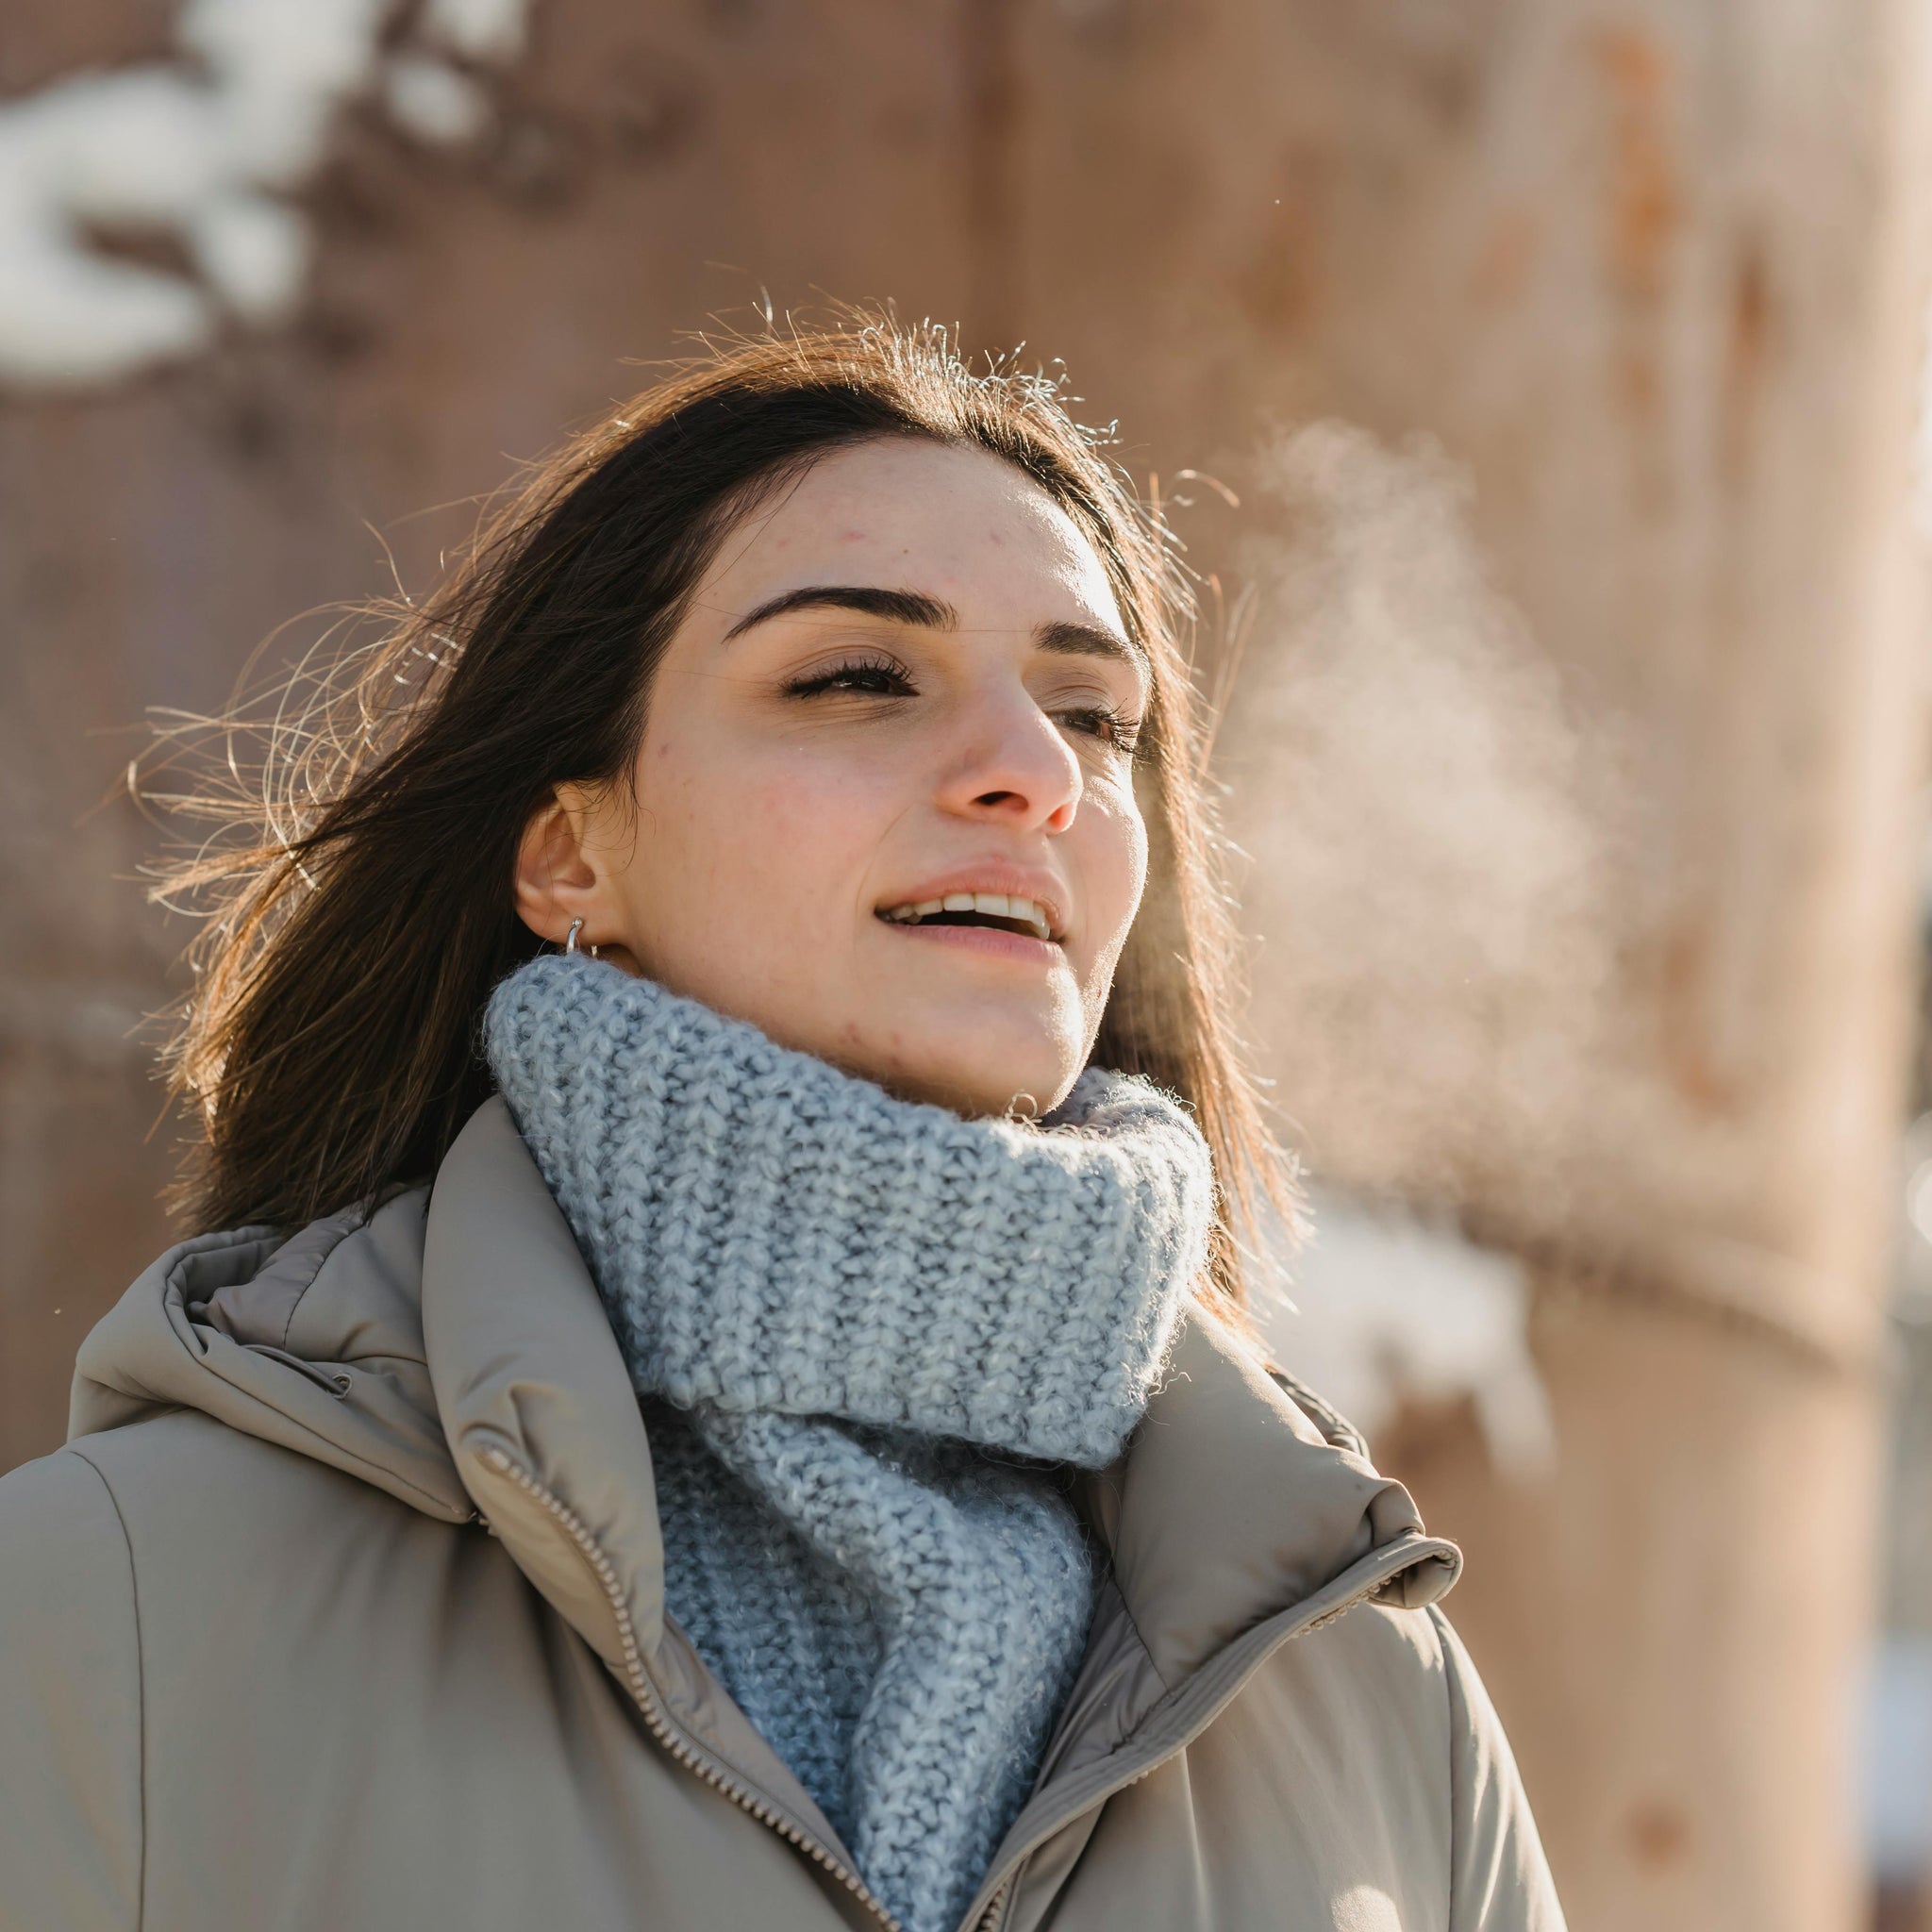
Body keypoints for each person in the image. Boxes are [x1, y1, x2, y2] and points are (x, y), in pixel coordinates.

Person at [0, 315, 1564, 1931]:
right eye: (858, 677)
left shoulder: (1382, 1711)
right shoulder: (107, 1625)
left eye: (1095, 716)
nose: (1033, 771)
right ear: (569, 850)